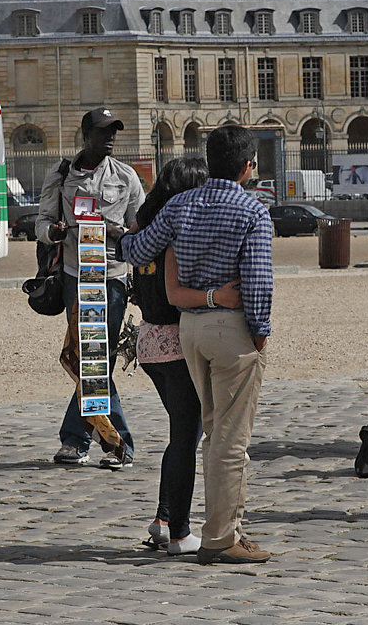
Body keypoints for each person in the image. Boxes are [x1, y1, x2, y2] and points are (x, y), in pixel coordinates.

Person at [120, 124, 275, 564]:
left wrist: (125, 234)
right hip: (232, 327)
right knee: (231, 438)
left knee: (212, 433)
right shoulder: (252, 210)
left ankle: (209, 528)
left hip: (190, 328)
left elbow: (137, 250)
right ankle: (222, 536)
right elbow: (259, 282)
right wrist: (260, 333)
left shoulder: (181, 204)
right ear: (248, 167)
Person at [132, 157, 239, 556]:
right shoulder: (176, 231)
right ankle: (179, 530)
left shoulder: (145, 227)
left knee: (183, 434)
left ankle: (163, 518)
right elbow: (180, 294)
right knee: (185, 437)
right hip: (177, 341)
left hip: (149, 340)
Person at [36, 107, 144, 469]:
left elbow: (140, 230)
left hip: (111, 277)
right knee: (86, 359)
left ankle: (94, 441)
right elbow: (43, 222)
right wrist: (53, 232)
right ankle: (104, 442)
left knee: (95, 360)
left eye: (114, 131)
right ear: (85, 136)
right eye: (102, 132)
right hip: (74, 276)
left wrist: (118, 233)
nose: (110, 137)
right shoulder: (61, 174)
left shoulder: (127, 178)